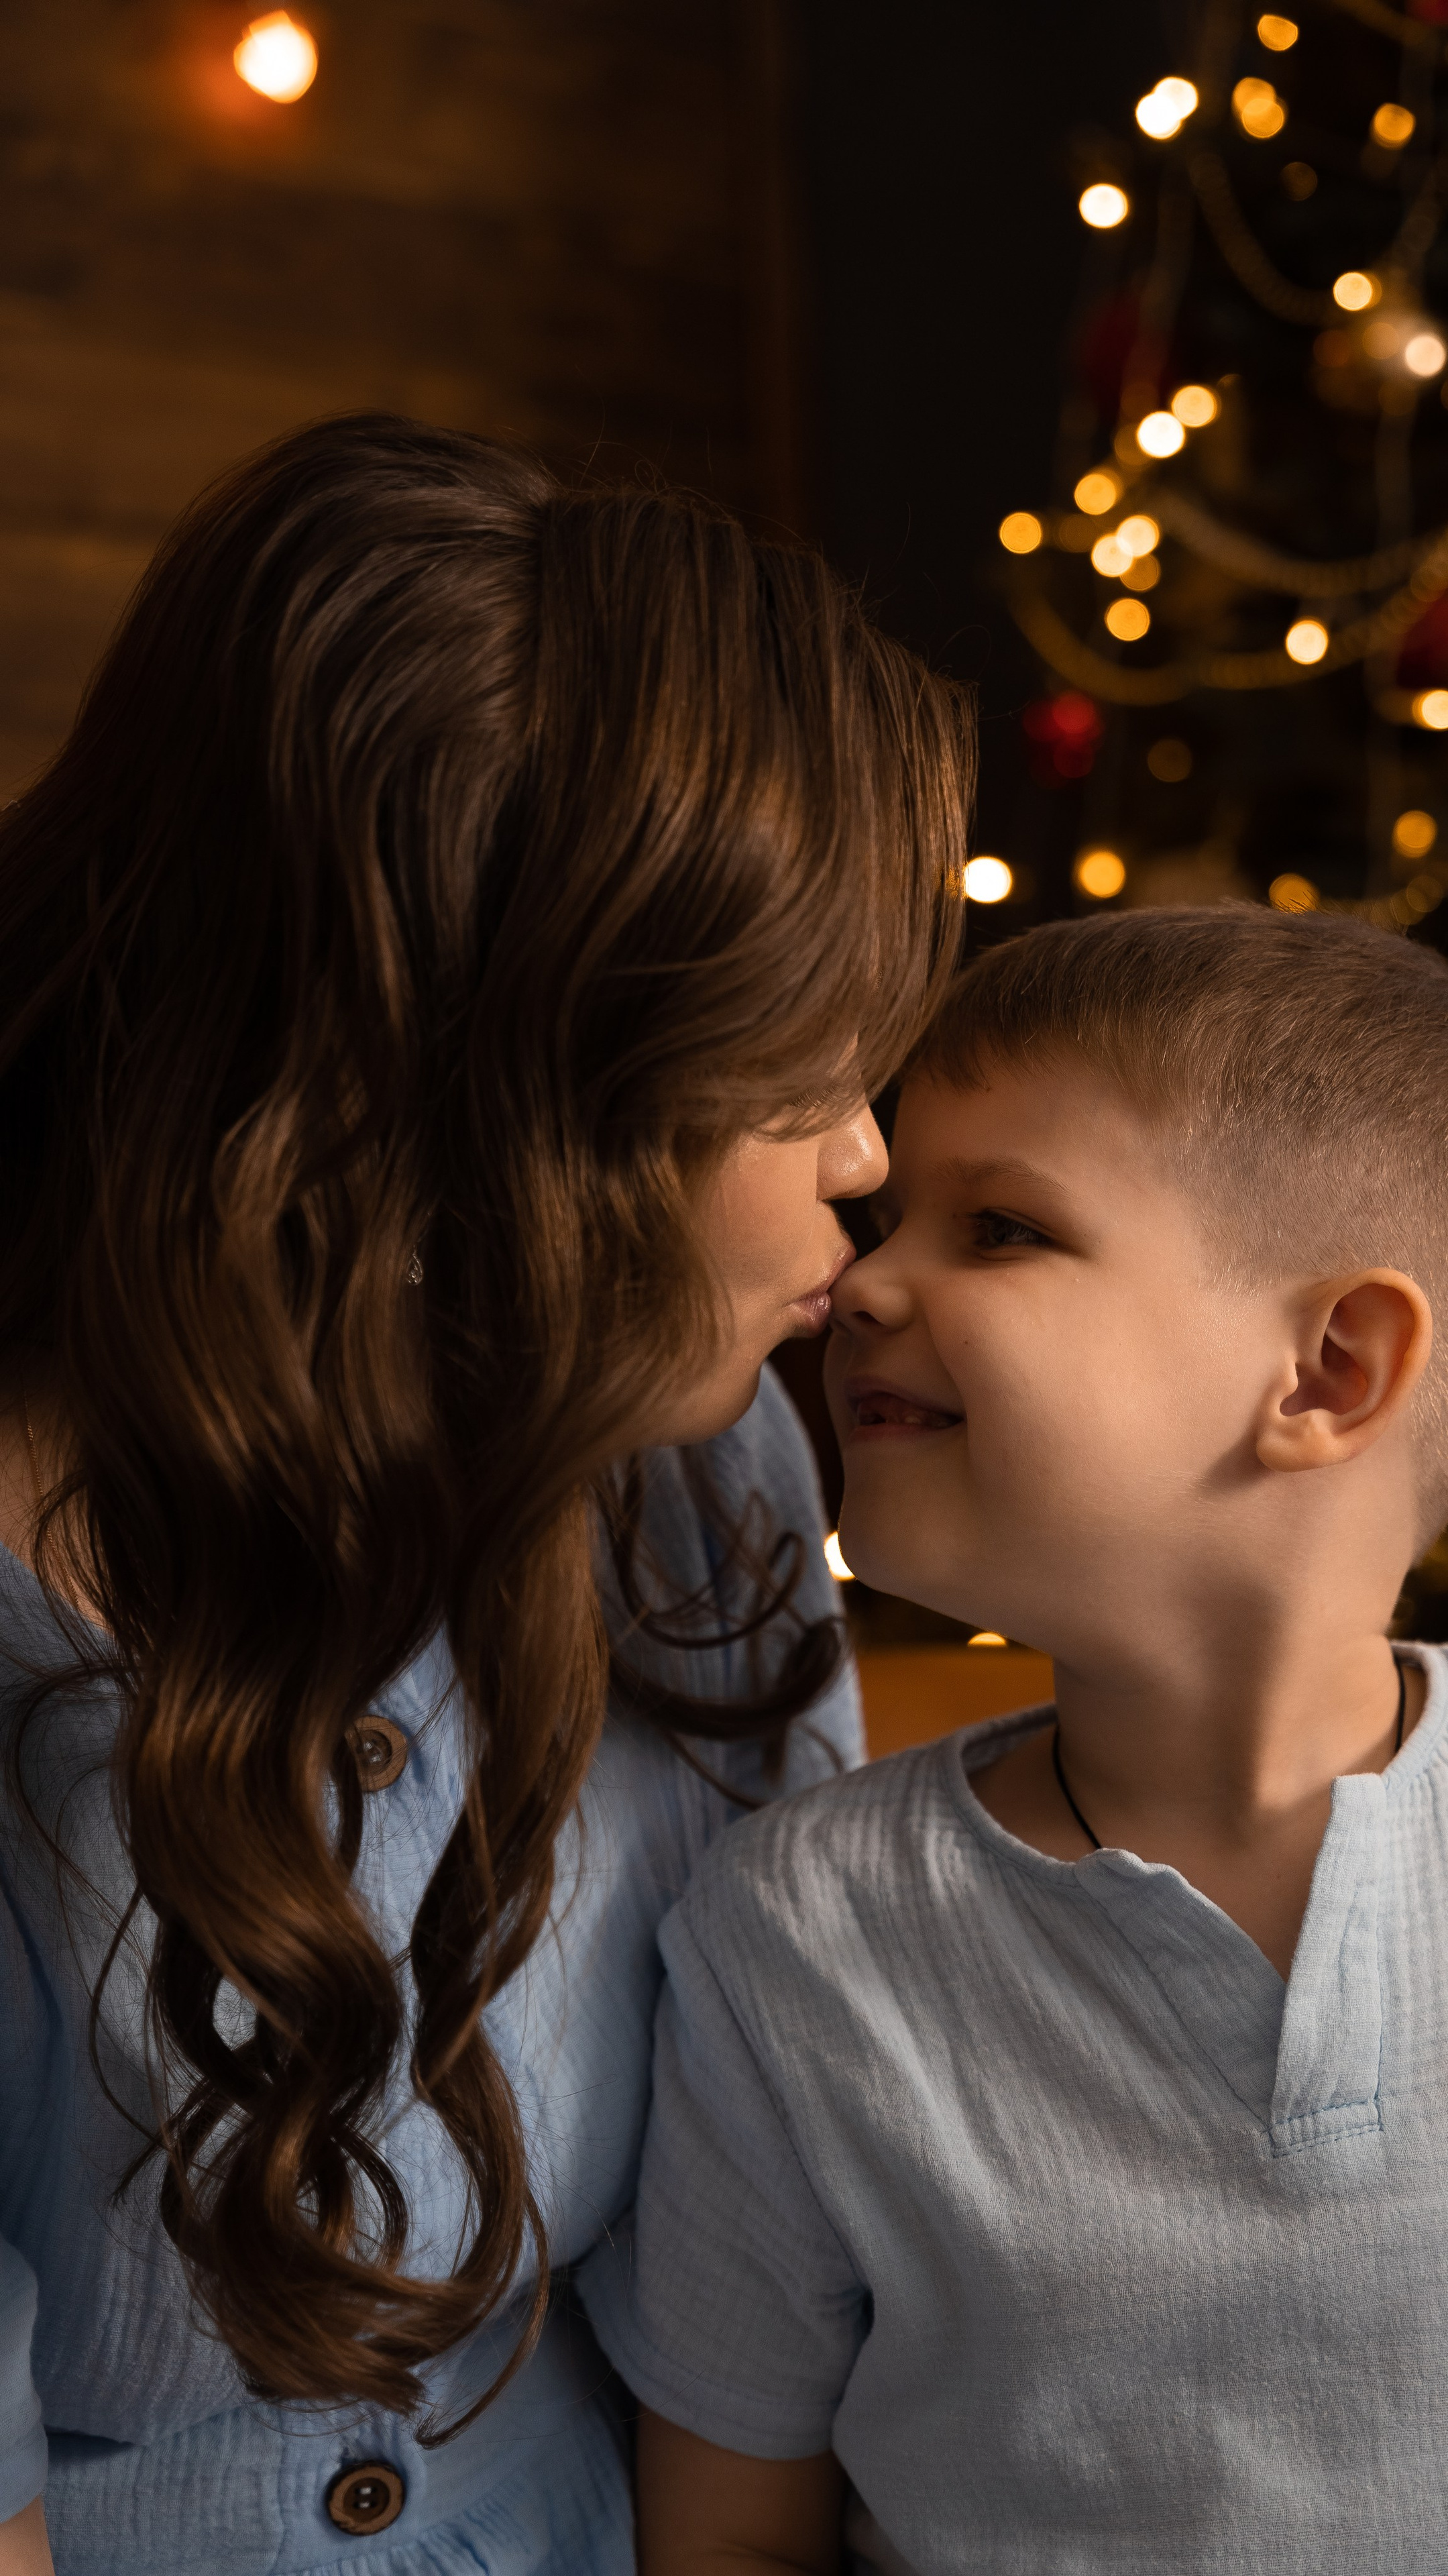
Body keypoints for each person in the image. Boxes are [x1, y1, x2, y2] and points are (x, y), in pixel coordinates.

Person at [0, 413, 971, 2575]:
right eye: (774, 1076)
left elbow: (764, 2294)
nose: (870, 1157)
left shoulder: (696, 1477)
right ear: (443, 1103)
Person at [588, 907, 1448, 2575]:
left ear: (1328, 1370)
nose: (865, 1278)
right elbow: (731, 2541)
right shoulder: (793, 1942)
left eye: (999, 1229)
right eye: (894, 1220)